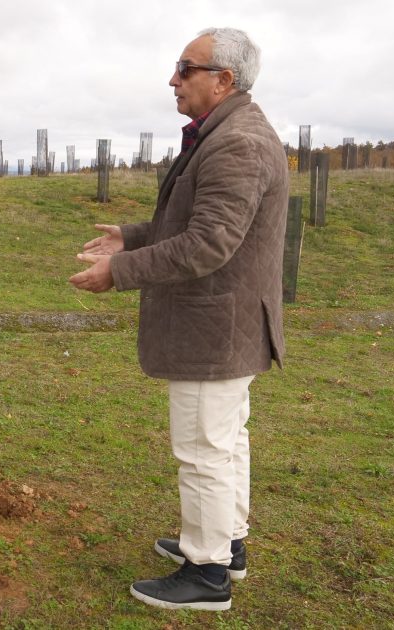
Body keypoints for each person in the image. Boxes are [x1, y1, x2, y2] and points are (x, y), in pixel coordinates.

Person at [70, 27, 288, 611]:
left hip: (214, 328)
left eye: (185, 68)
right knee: (224, 442)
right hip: (226, 323)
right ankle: (227, 545)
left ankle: (207, 573)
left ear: (224, 80)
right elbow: (204, 225)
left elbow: (208, 244)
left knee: (204, 449)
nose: (173, 79)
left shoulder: (237, 142)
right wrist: (131, 236)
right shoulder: (229, 132)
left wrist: (120, 270)